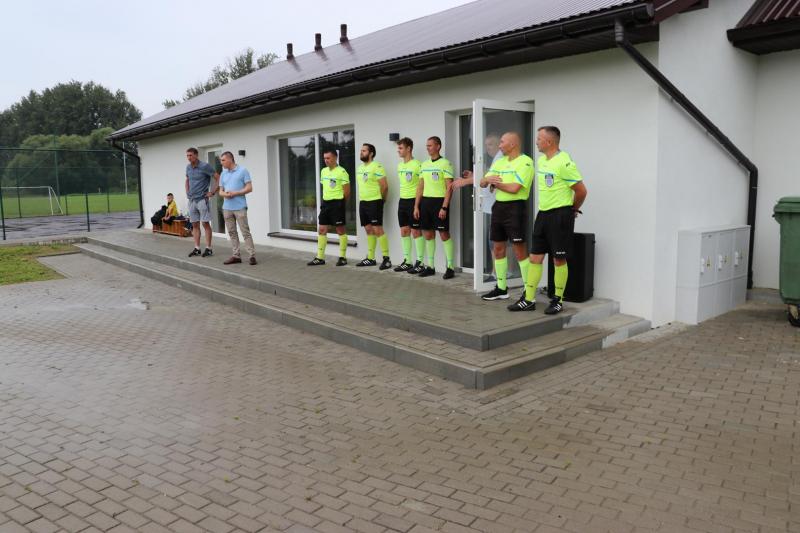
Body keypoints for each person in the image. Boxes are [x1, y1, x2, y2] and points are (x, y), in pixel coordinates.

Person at [510, 126, 587, 314]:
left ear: (549, 142)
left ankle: (558, 300)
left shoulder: (564, 162)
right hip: (543, 214)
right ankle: (529, 299)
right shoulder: (542, 160)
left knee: (558, 259)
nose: (536, 141)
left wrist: (573, 209)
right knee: (535, 257)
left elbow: (581, 191)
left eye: (539, 139)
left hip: (560, 215)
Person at [462, 132, 534, 301]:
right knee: (498, 248)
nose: (500, 145)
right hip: (499, 207)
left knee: (519, 251)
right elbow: (482, 182)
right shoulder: (500, 161)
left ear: (513, 144)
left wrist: (495, 183)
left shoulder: (526, 162)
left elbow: (515, 188)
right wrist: (488, 181)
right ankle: (501, 288)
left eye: (502, 142)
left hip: (516, 208)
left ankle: (528, 290)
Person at [453, 132, 503, 279]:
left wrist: (467, 181)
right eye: (486, 145)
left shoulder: (500, 158)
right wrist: (473, 176)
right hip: (492, 206)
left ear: (499, 144)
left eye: (491, 144)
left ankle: (498, 274)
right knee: (495, 243)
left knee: (495, 243)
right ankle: (500, 273)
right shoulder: (496, 158)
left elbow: (491, 179)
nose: (488, 148)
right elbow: (488, 176)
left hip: (497, 207)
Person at [413, 136, 455, 279]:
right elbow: (420, 187)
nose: (428, 148)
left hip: (439, 203)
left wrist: (444, 207)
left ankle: (450, 267)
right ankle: (430, 267)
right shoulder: (424, 165)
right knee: (428, 234)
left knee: (443, 234)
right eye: (427, 146)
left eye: (430, 145)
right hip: (426, 203)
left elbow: (449, 187)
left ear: (438, 146)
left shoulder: (445, 163)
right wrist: (416, 206)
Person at [308, 149, 350, 266]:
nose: (326, 160)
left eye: (328, 158)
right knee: (321, 229)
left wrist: (341, 205)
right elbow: (325, 187)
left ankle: (343, 257)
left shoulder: (342, 172)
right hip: (325, 204)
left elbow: (347, 192)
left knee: (340, 230)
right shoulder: (323, 171)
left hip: (337, 203)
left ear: (335, 158)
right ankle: (320, 258)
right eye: (324, 158)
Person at [355, 143, 391, 270]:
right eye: (361, 150)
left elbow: (384, 186)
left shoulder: (377, 166)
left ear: (371, 153)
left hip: (374, 202)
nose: (361, 152)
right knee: (368, 230)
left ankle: (386, 259)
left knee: (377, 229)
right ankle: (370, 258)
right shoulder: (359, 168)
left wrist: (382, 200)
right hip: (363, 202)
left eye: (364, 151)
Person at [219, 151, 257, 265]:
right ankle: (236, 256)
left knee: (245, 232)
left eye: (223, 160)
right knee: (232, 232)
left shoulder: (243, 171)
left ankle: (252, 256)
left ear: (230, 159)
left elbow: (249, 188)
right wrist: (225, 194)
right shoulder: (223, 173)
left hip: (240, 207)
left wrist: (236, 193)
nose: (221, 163)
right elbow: (220, 191)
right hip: (227, 208)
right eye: (221, 160)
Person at [393, 137, 424, 272]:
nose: (398, 151)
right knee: (404, 231)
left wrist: (417, 206)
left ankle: (420, 262)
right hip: (402, 201)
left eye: (401, 148)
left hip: (413, 201)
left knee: (416, 231)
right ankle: (408, 261)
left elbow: (421, 186)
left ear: (409, 149)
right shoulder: (400, 166)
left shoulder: (417, 165)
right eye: (398, 148)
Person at [185, 147, 220, 258]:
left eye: (190, 155)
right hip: (192, 200)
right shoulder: (188, 167)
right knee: (194, 225)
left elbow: (218, 177)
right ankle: (197, 248)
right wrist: (187, 192)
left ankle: (209, 248)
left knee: (205, 224)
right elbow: (187, 180)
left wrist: (212, 192)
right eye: (187, 155)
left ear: (196, 155)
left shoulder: (205, 166)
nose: (189, 158)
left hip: (202, 200)